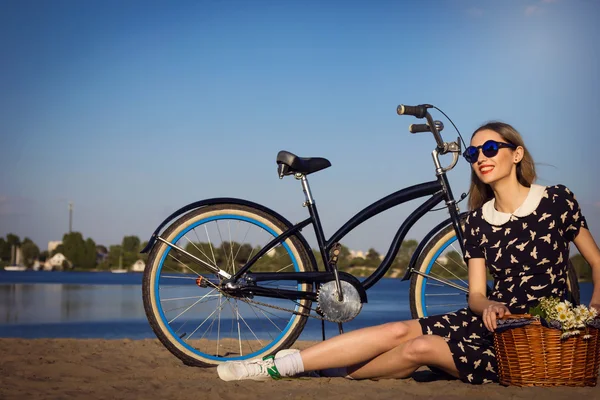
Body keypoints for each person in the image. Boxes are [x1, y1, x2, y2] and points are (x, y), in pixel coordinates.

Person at [217, 121, 600, 384]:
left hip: (536, 339)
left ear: (516, 155)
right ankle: (278, 365)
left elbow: (596, 263)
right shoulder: (477, 221)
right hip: (490, 322)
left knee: (419, 347)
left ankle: (330, 371)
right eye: (472, 152)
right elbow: (477, 294)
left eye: (490, 148)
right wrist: (488, 308)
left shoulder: (555, 201)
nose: (481, 157)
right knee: (400, 329)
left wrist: (593, 313)